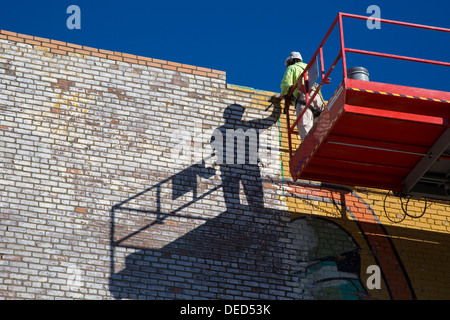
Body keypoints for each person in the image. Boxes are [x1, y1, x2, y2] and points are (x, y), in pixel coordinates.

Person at [280, 51, 325, 141]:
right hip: (317, 98)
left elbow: (285, 86)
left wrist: (286, 94)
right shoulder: (308, 68)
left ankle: (308, 146)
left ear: (291, 61)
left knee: (304, 124)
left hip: (303, 98)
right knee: (321, 124)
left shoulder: (292, 68)